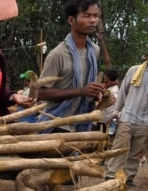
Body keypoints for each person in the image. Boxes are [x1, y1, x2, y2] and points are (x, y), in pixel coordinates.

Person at [103, 41, 148, 187]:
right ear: (147, 55)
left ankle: (128, 177)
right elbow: (122, 93)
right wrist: (116, 111)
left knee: (137, 151)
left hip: (146, 119)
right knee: (120, 147)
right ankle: (110, 174)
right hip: (127, 115)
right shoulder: (134, 70)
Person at [36, 0, 106, 131]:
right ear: (71, 20)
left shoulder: (94, 50)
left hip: (82, 122)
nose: (93, 20)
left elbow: (87, 86)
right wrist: (80, 91)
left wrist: (97, 93)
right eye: (86, 16)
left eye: (95, 16)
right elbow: (40, 93)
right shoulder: (57, 55)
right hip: (57, 123)